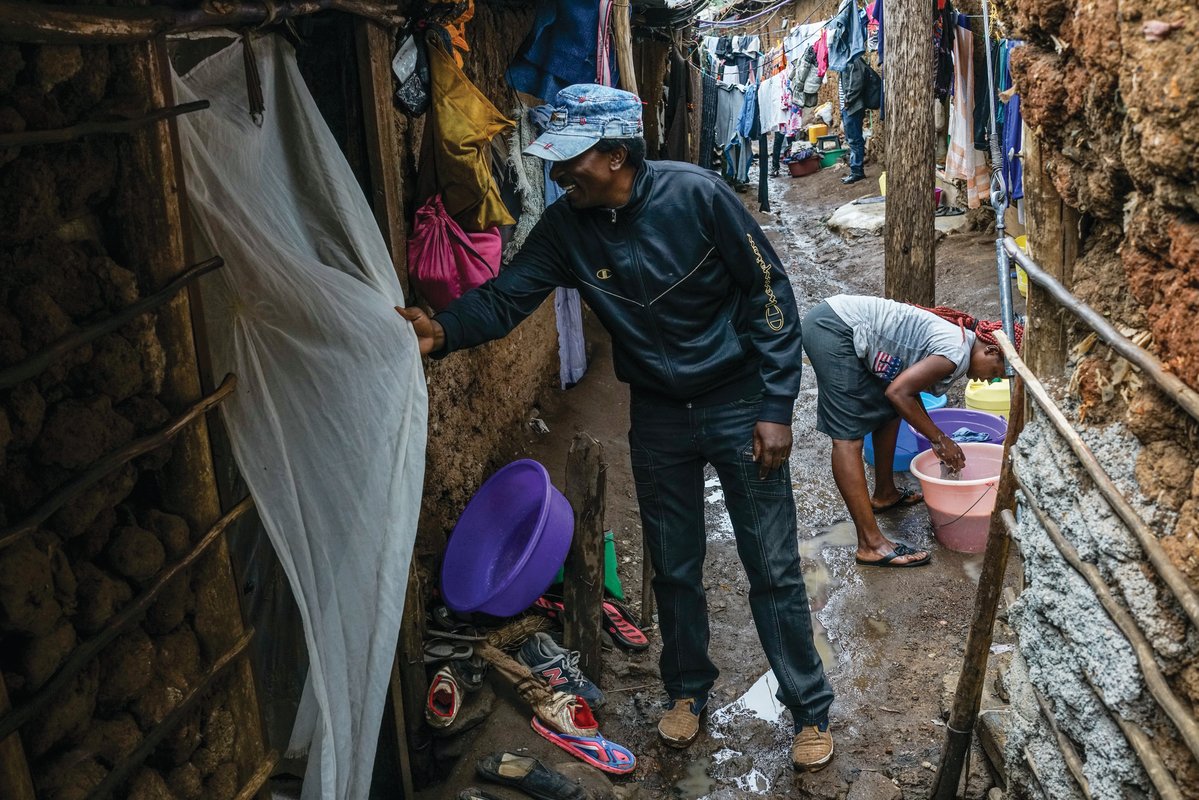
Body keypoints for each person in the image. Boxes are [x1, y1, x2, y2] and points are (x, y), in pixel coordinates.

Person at [397, 84, 836, 771]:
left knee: (772, 567)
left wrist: (775, 407)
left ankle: (808, 707)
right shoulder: (567, 226)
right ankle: (687, 692)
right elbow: (509, 298)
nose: (558, 172)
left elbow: (770, 295)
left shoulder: (697, 196)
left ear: (614, 154)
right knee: (675, 566)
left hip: (735, 401)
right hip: (659, 413)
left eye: (570, 157)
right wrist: (443, 331)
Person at [801, 295, 1022, 568]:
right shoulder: (955, 353)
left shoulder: (960, 344)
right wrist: (939, 439)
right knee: (848, 437)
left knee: (890, 410)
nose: (992, 379)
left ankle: (885, 494)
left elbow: (904, 393)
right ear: (990, 350)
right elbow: (899, 392)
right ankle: (870, 544)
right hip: (833, 328)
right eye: (998, 371)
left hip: (843, 325)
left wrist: (937, 436)